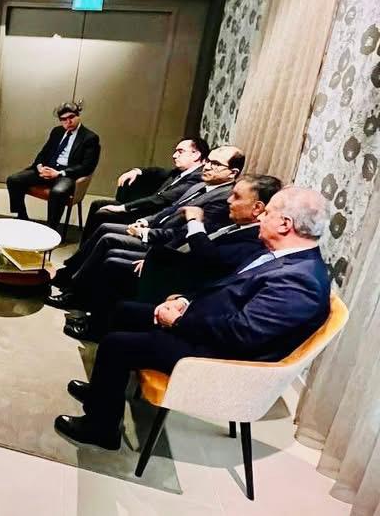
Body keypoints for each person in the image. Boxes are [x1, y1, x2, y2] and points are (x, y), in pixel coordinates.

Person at [54, 186, 332, 450]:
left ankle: (101, 430)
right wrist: (184, 301)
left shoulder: (300, 281)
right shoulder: (282, 258)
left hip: (221, 358)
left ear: (285, 224)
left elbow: (242, 334)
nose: (260, 217)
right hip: (208, 325)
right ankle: (103, 393)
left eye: (267, 213)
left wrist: (177, 321)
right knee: (123, 311)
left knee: (116, 345)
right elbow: (224, 287)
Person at [63, 174, 280, 341]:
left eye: (237, 197)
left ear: (257, 208)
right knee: (114, 260)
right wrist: (153, 258)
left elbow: (208, 259)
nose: (229, 200)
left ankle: (96, 328)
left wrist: (194, 222)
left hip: (187, 286)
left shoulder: (255, 237)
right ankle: (90, 312)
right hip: (175, 264)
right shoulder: (236, 223)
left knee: (115, 264)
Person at [48, 145, 244, 308]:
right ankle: (70, 276)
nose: (207, 166)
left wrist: (147, 234)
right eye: (208, 161)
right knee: (105, 228)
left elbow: (184, 236)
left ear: (232, 173)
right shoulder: (201, 185)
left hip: (165, 245)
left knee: (109, 238)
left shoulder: (223, 199)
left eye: (215, 164)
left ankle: (75, 294)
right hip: (157, 230)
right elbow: (171, 209)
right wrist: (147, 221)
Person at [79, 137, 209, 241]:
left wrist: (123, 207)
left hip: (153, 216)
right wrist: (137, 171)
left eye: (180, 152)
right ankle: (84, 250)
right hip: (148, 209)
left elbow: (162, 199)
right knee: (98, 204)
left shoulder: (197, 177)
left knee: (103, 213)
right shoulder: (181, 172)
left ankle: (87, 254)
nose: (174, 155)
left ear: (196, 155)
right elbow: (157, 171)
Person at [6, 102, 101, 230]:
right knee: (13, 180)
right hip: (48, 169)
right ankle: (21, 216)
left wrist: (59, 173)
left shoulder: (90, 138)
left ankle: (51, 229)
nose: (68, 122)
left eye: (71, 117)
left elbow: (87, 167)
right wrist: (40, 167)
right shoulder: (57, 131)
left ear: (78, 116)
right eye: (64, 119)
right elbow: (43, 153)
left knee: (58, 192)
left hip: (66, 174)